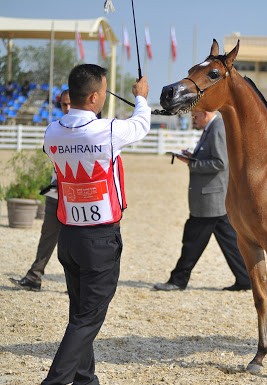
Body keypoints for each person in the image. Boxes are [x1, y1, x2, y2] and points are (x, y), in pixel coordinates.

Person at [40, 64, 151, 385]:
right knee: (88, 319)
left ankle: (86, 378)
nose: (104, 96)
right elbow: (141, 125)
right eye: (103, 91)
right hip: (100, 238)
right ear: (93, 97)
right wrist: (141, 97)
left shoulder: (52, 131)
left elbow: (54, 149)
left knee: (79, 313)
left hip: (69, 235)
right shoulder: (108, 131)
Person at [154, 110, 250, 292]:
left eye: (195, 116)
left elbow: (220, 162)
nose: (193, 119)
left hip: (210, 198)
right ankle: (245, 278)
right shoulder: (212, 127)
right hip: (213, 197)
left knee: (192, 241)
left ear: (205, 114)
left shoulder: (217, 128)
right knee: (229, 241)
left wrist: (192, 163)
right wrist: (192, 156)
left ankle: (178, 280)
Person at [9, 90, 71, 291]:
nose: (67, 108)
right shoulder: (56, 128)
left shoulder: (90, 129)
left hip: (76, 196)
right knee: (47, 236)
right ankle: (34, 276)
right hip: (55, 192)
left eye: (70, 104)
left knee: (76, 242)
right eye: (64, 105)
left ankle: (77, 284)